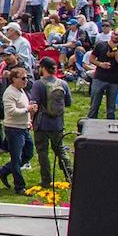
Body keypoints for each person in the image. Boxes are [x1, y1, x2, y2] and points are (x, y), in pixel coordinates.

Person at [31, 58, 71, 187]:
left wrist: (31, 120)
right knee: (61, 151)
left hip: (42, 123)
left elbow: (34, 104)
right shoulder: (63, 84)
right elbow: (68, 102)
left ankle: (46, 180)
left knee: (43, 152)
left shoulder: (38, 84)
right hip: (58, 123)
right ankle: (70, 175)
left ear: (43, 68)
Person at [0, 65, 34, 192]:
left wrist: (29, 119)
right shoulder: (9, 93)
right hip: (14, 130)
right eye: (23, 78)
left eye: (26, 77)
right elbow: (11, 112)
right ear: (14, 79)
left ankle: (4, 170)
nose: (26, 80)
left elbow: (23, 108)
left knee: (28, 154)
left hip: (24, 127)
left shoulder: (21, 90)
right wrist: (27, 109)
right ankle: (20, 187)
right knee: (16, 159)